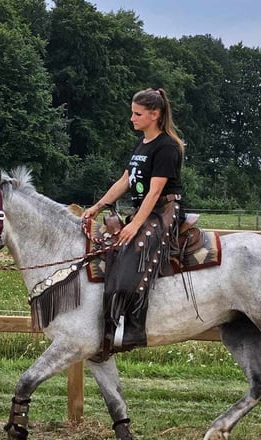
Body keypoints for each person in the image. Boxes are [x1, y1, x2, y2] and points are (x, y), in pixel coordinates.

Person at [82, 87, 185, 355]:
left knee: (134, 251)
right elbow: (125, 181)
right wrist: (97, 206)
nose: (132, 119)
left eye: (137, 114)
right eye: (132, 113)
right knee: (111, 245)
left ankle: (135, 326)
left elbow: (154, 192)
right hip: (146, 209)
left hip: (165, 210)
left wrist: (134, 225)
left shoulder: (167, 147)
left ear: (155, 114)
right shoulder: (142, 144)